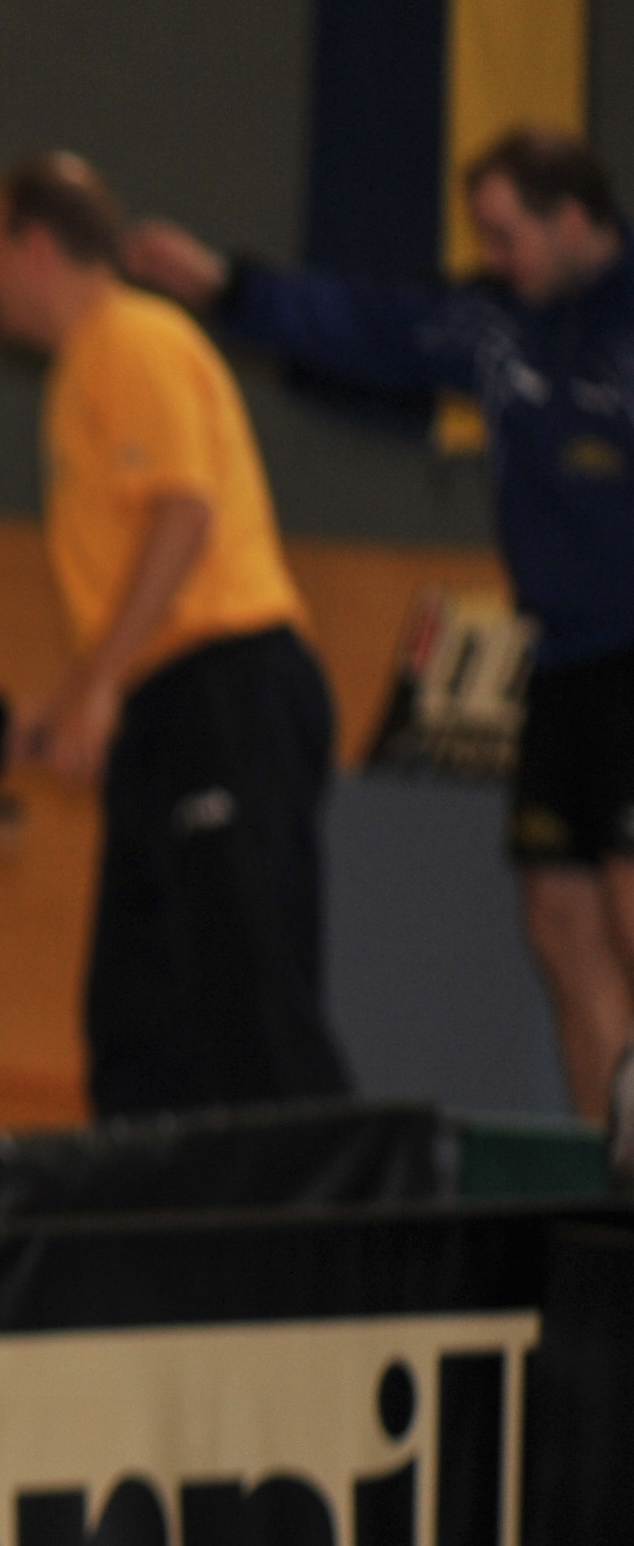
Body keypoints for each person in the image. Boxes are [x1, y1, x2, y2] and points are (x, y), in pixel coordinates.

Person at [127, 127, 634, 1124]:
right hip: (560, 662)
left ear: (574, 219)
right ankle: (611, 1163)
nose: (492, 258)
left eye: (507, 235)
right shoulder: (494, 325)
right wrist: (228, 286)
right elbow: (365, 324)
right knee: (559, 920)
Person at [0, 152, 352, 1118]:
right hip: (167, 708)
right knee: (138, 1023)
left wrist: (98, 688)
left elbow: (185, 513)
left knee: (252, 1012)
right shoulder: (80, 373)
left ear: (36, 247)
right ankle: (156, 1211)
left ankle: (339, 1213)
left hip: (230, 691)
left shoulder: (134, 339)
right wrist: (68, 705)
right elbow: (129, 601)